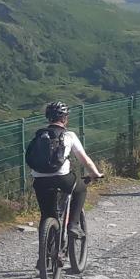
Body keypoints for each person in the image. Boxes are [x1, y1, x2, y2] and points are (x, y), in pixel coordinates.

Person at [31, 102, 104, 265]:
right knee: (81, 189)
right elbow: (85, 160)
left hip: (39, 179)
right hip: (62, 177)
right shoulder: (69, 136)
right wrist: (96, 174)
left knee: (47, 215)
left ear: (48, 118)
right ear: (65, 118)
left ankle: (43, 257)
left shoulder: (39, 135)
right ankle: (73, 224)